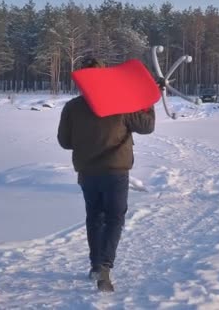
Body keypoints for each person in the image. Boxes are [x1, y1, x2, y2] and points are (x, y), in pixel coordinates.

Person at [57, 57, 156, 292]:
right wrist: (147, 103)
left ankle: (95, 265)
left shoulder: (72, 107)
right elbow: (147, 126)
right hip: (115, 171)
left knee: (95, 217)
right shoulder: (120, 102)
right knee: (114, 218)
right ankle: (104, 266)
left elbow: (64, 142)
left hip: (87, 171)